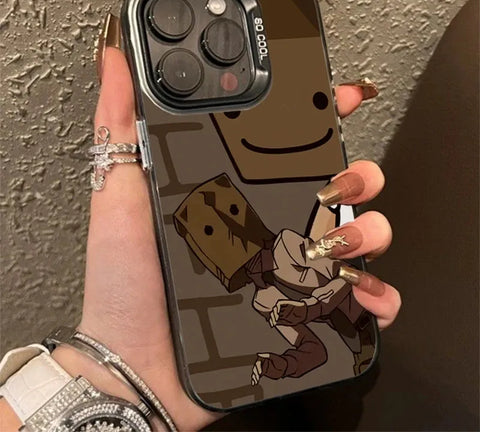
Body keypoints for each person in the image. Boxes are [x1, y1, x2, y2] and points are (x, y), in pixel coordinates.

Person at [0, 23, 401, 431]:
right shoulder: (268, 297)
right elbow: (312, 346)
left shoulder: (285, 258)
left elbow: (319, 317)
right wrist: (278, 359)